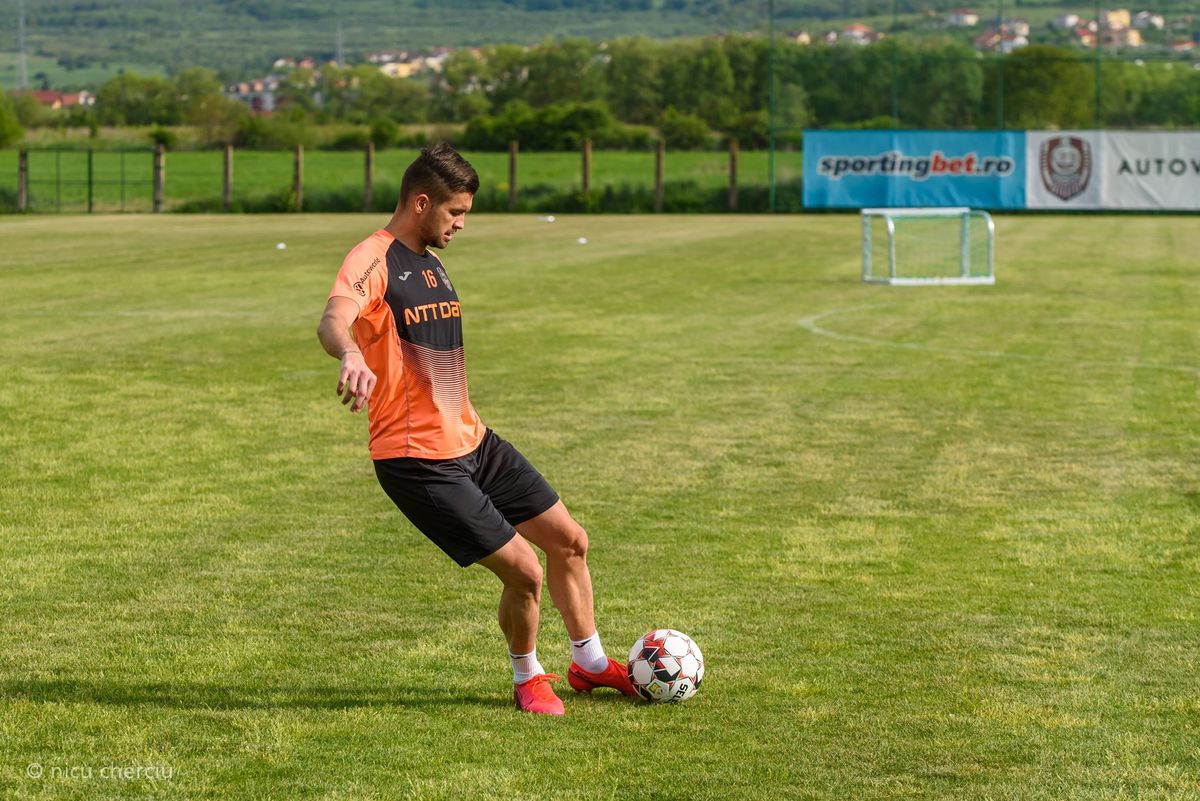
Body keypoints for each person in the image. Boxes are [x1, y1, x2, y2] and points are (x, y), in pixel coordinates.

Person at [316, 142, 634, 715]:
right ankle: (528, 676)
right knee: (524, 571)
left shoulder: (431, 260)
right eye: (455, 212)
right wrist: (350, 355)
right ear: (420, 202)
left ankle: (589, 665)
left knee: (570, 541)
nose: (461, 224)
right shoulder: (373, 258)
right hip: (418, 460)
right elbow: (335, 315)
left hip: (475, 442)